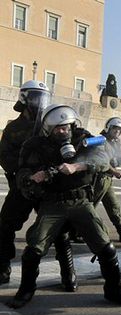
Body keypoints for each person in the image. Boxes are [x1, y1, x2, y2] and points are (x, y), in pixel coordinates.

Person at [7, 104, 121, 308]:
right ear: (48, 129)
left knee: (106, 247)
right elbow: (21, 172)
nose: (64, 131)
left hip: (80, 201)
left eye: (66, 126)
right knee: (34, 249)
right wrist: (33, 177)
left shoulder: (83, 139)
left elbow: (103, 160)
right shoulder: (35, 145)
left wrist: (77, 166)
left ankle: (114, 289)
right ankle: (26, 290)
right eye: (58, 128)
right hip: (52, 203)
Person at [0, 81, 77, 292]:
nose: (40, 102)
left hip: (49, 184)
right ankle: (3, 267)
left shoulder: (49, 123)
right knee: (6, 224)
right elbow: (5, 157)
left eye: (42, 97)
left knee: (59, 229)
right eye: (35, 97)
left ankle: (68, 272)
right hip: (23, 185)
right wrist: (28, 168)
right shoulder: (13, 128)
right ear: (24, 98)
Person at [93, 117, 121, 242]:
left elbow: (120, 158)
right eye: (115, 129)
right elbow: (101, 162)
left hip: (107, 180)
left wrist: (119, 144)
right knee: (90, 207)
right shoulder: (100, 141)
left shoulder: (114, 142)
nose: (118, 132)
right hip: (98, 180)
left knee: (114, 206)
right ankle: (73, 232)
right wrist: (115, 172)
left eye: (120, 130)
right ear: (108, 128)